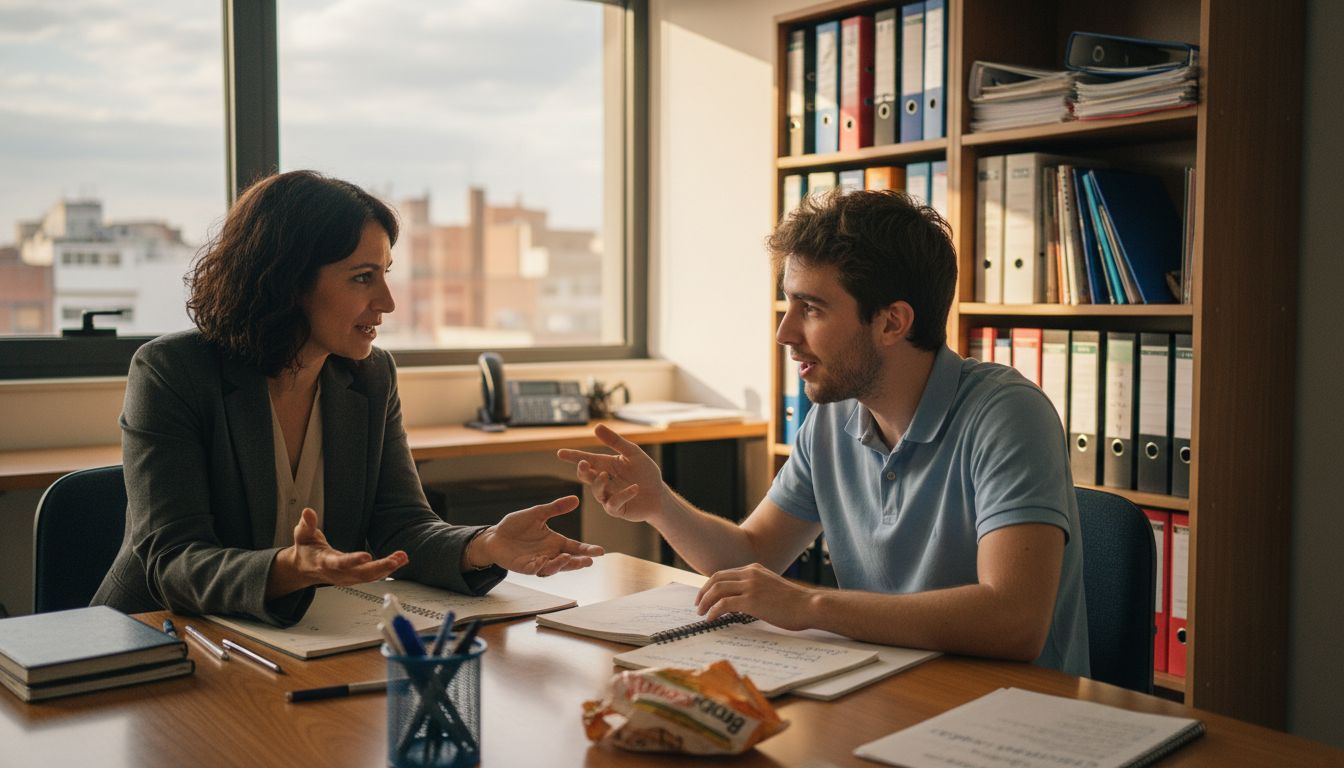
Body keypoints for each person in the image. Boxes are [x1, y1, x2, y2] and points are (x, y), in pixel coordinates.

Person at [560, 189, 1088, 675]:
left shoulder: (1007, 415)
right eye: (788, 304)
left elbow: (1014, 620)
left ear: (892, 322)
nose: (784, 333)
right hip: (891, 685)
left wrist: (811, 605)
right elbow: (752, 556)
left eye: (810, 308)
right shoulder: (835, 417)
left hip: (1010, 709)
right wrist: (659, 503)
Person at [94, 170, 602, 625]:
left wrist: (483, 545)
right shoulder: (172, 371)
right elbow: (174, 562)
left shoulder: (371, 375)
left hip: (298, 636)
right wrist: (287, 568)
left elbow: (401, 526)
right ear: (287, 282)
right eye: (363, 277)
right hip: (154, 638)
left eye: (385, 273)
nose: (387, 302)